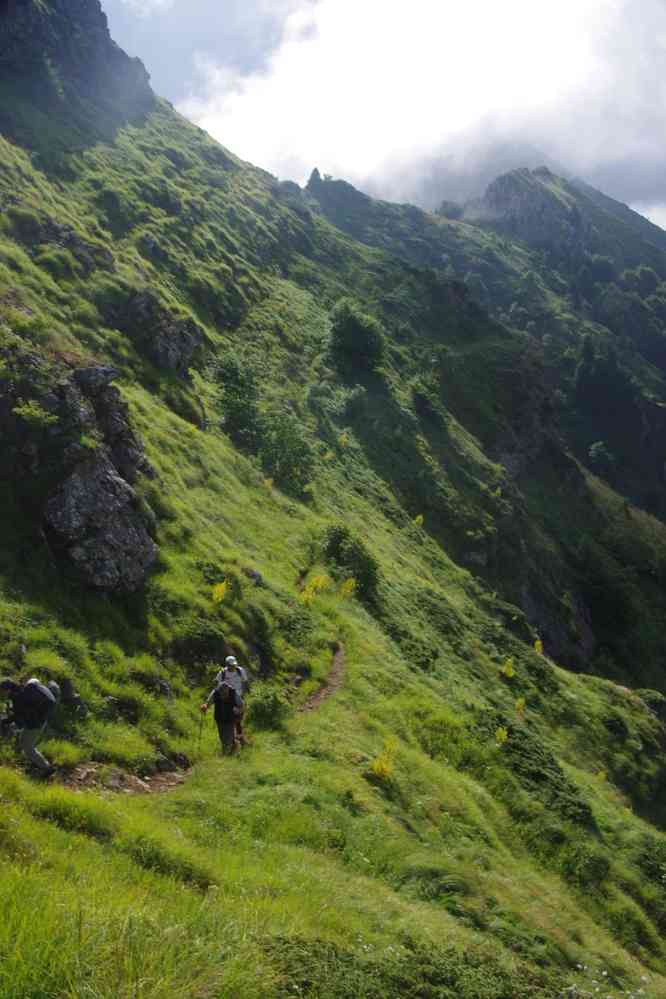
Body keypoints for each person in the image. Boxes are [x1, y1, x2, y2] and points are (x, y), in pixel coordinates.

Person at [0, 677, 59, 773]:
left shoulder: (18, 698)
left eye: (2, 691)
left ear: (8, 690)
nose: (1, 693)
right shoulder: (23, 689)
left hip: (35, 724)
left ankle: (47, 768)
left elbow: (17, 716)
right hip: (38, 719)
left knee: (28, 747)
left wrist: (4, 721)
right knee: (22, 739)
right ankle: (25, 759)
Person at [208, 655, 251, 745]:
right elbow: (216, 683)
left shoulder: (240, 671)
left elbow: (245, 682)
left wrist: (247, 693)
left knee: (238, 718)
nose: (233, 667)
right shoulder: (222, 673)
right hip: (227, 699)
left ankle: (238, 737)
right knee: (231, 718)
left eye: (234, 665)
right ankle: (234, 739)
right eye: (231, 665)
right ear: (227, 665)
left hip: (238, 697)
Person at [201, 682, 241, 755]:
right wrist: (205, 707)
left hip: (230, 718)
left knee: (228, 737)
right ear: (219, 691)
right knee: (223, 737)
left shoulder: (234, 693)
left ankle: (225, 755)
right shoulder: (215, 693)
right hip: (219, 718)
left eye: (225, 694)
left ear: (228, 690)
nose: (224, 696)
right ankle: (233, 747)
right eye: (222, 694)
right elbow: (208, 703)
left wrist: (238, 710)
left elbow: (241, 705)